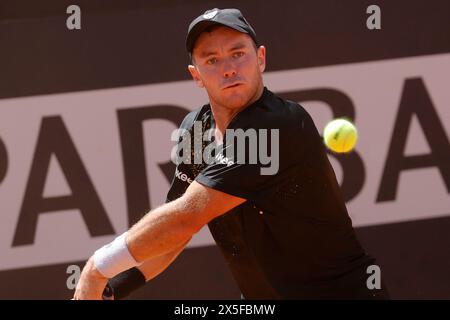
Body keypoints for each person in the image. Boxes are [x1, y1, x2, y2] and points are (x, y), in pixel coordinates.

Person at [73, 8, 389, 300]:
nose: (228, 69)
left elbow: (185, 219)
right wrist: (114, 288)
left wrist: (97, 268)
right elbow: (173, 234)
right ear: (196, 75)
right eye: (212, 60)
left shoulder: (277, 125)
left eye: (238, 54)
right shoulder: (195, 130)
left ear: (260, 58)